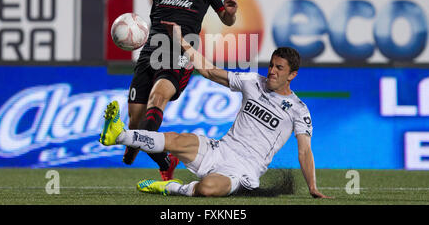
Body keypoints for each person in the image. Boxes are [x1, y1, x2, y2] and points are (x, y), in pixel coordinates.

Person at [59, 0, 238, 181]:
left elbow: (228, 19)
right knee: (135, 121)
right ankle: (163, 158)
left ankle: (133, 143)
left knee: (157, 99)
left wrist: (231, 12)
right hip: (150, 52)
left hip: (180, 51)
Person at [99, 21, 331, 198]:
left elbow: (304, 151)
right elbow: (209, 71)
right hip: (220, 149)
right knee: (176, 139)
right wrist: (182, 42)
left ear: (292, 75)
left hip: (243, 169)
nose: (272, 71)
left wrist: (312, 187)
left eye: (279, 68)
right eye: (271, 65)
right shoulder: (252, 81)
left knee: (208, 189)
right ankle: (118, 135)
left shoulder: (299, 110)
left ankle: (172, 188)